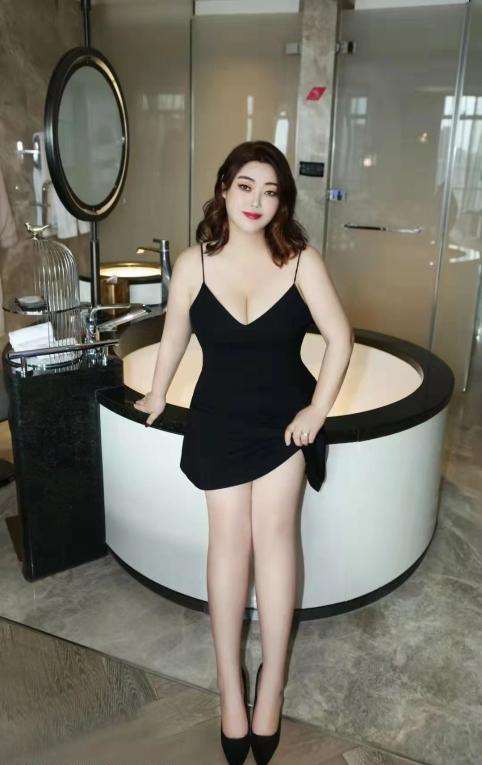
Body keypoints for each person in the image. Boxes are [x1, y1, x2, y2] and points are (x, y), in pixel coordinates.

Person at [134, 140, 353, 764]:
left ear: (282, 202)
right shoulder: (193, 264)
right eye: (246, 187)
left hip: (285, 424)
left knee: (276, 542)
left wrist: (316, 411)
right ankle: (230, 690)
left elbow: (340, 339)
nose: (257, 201)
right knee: (228, 545)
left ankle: (271, 685)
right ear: (224, 189)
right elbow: (174, 336)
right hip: (219, 422)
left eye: (271, 191)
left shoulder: (301, 261)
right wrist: (156, 393)